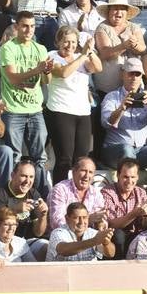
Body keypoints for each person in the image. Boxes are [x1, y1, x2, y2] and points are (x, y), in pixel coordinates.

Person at [0, 10, 53, 198]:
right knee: (14, 156)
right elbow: (13, 78)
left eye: (32, 26)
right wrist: (37, 69)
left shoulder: (41, 49)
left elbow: (46, 81)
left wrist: (46, 71)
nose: (29, 30)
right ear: (16, 27)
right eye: (25, 26)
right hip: (13, 109)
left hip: (35, 109)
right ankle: (10, 199)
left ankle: (40, 197)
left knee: (40, 157)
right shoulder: (8, 48)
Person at [44, 25, 101, 183]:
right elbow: (63, 73)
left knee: (81, 160)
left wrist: (89, 50)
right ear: (58, 42)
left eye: (74, 42)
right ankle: (58, 196)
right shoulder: (52, 56)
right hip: (60, 111)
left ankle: (78, 196)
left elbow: (98, 67)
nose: (70, 46)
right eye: (66, 42)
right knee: (65, 159)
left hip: (83, 113)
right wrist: (82, 55)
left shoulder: (81, 56)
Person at [100, 57, 147, 170]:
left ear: (141, 77)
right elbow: (105, 122)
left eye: (137, 74)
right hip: (115, 148)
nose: (134, 78)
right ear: (122, 75)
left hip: (140, 149)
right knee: (127, 149)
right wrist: (121, 108)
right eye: (130, 73)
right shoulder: (112, 96)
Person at [93, 0, 146, 96]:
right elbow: (105, 53)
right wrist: (124, 46)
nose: (118, 12)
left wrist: (135, 45)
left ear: (127, 12)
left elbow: (143, 49)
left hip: (132, 85)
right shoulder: (102, 28)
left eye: (122, 9)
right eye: (115, 9)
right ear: (109, 11)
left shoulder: (134, 27)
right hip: (108, 86)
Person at [0, 157, 49, 246]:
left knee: (44, 247)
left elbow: (38, 233)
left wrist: (43, 216)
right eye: (23, 176)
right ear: (13, 176)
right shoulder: (0, 193)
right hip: (3, 241)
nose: (27, 181)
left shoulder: (34, 194)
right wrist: (14, 210)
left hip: (27, 242)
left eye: (31, 177)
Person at [101, 157, 147, 258]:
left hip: (135, 233)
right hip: (115, 236)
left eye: (133, 177)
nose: (129, 181)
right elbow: (111, 224)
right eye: (125, 177)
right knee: (118, 235)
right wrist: (134, 214)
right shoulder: (107, 192)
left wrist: (146, 215)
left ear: (137, 177)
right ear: (117, 175)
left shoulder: (141, 192)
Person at [47, 155, 105, 228]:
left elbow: (102, 220)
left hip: (88, 235)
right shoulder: (60, 189)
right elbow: (57, 223)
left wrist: (101, 224)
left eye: (90, 172)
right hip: (63, 236)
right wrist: (86, 220)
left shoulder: (96, 193)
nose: (87, 176)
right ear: (74, 172)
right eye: (83, 171)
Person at [46, 199, 115, 260]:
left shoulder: (93, 233)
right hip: (60, 273)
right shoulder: (58, 232)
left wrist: (106, 243)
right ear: (67, 219)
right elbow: (63, 250)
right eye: (76, 218)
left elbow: (111, 254)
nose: (81, 222)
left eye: (84, 217)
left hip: (87, 273)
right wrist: (94, 241)